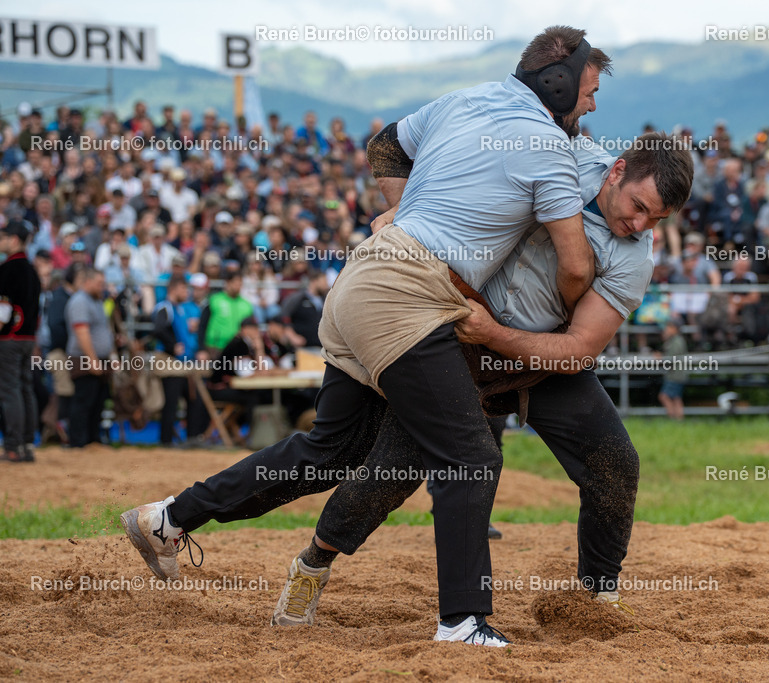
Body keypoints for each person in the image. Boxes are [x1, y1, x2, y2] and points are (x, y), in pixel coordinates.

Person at [121, 25, 611, 649]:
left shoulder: (464, 99)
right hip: (410, 295)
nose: (591, 106)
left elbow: (383, 146)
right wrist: (573, 317)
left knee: (331, 450)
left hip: (364, 274)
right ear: (559, 80)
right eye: (589, 91)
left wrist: (404, 213)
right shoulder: (545, 142)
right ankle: (462, 621)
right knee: (471, 457)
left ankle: (167, 518)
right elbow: (573, 264)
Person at [0, 220, 42, 461]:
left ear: (13, 239)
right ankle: (27, 444)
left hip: (9, 338)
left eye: (4, 237)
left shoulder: (8, 269)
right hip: (27, 337)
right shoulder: (32, 270)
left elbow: (3, 311)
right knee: (26, 389)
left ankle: (13, 446)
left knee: (10, 390)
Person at [152, 277, 205, 446]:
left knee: (192, 398)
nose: (187, 293)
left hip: (181, 364)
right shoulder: (165, 307)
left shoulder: (179, 309)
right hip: (169, 363)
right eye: (183, 289)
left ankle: (191, 437)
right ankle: (166, 440)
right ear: (174, 289)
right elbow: (158, 329)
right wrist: (172, 345)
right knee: (171, 403)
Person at [66, 268, 113, 448]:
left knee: (97, 402)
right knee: (83, 401)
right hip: (83, 359)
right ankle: (78, 442)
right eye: (100, 283)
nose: (103, 287)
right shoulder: (80, 301)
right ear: (88, 281)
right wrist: (92, 360)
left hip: (99, 358)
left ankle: (93, 439)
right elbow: (82, 332)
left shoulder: (97, 301)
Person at [201, 271, 254, 351]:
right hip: (216, 347)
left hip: (238, 348)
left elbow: (250, 327)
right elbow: (203, 324)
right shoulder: (215, 300)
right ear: (228, 282)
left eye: (240, 283)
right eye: (235, 283)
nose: (238, 286)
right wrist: (202, 349)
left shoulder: (246, 305)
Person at [280, 271, 328, 346]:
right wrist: (292, 336)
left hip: (322, 347)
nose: (326, 285)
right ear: (314, 281)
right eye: (324, 281)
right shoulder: (297, 298)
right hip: (303, 347)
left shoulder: (326, 300)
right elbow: (284, 317)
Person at [658, 320, 688, 420]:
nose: (666, 330)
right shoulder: (676, 340)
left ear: (675, 329)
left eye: (668, 327)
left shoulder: (676, 341)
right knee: (676, 398)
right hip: (678, 374)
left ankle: (672, 418)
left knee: (664, 396)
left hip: (675, 375)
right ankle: (679, 419)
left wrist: (660, 358)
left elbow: (671, 359)